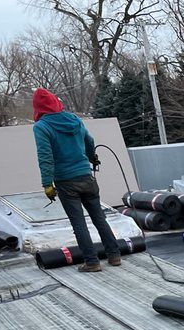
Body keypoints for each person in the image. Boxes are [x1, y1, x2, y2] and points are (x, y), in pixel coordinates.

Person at [32, 88, 121, 272]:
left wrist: (47, 184)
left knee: (79, 223)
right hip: (86, 177)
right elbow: (89, 140)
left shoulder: (41, 127)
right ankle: (114, 256)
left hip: (66, 181)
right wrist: (92, 157)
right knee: (99, 218)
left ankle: (92, 262)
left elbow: (45, 156)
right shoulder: (74, 120)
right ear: (56, 102)